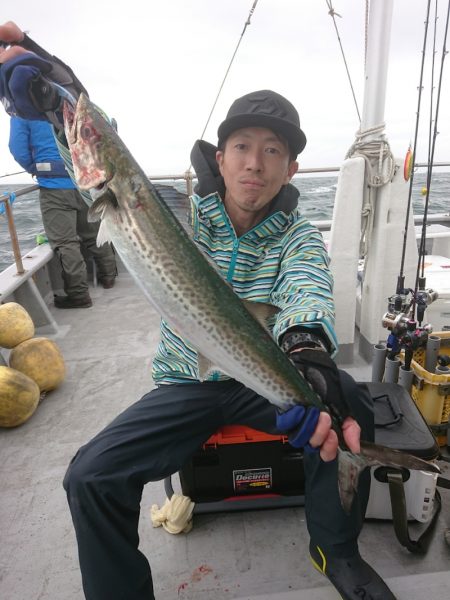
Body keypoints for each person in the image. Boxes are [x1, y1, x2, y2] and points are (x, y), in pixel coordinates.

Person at [0, 22, 396, 600]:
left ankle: (335, 549)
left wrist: (308, 353)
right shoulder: (180, 213)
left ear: (290, 169)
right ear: (220, 156)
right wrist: (62, 93)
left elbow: (307, 291)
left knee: (346, 406)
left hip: (264, 377)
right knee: (90, 475)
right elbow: (104, 155)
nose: (255, 164)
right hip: (187, 379)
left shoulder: (298, 238)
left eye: (272, 152)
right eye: (242, 147)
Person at [8, 115, 117, 308]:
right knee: (94, 233)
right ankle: (108, 277)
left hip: (54, 187)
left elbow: (18, 149)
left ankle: (78, 295)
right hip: (86, 183)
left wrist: (36, 168)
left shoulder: (23, 110)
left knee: (66, 242)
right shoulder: (73, 102)